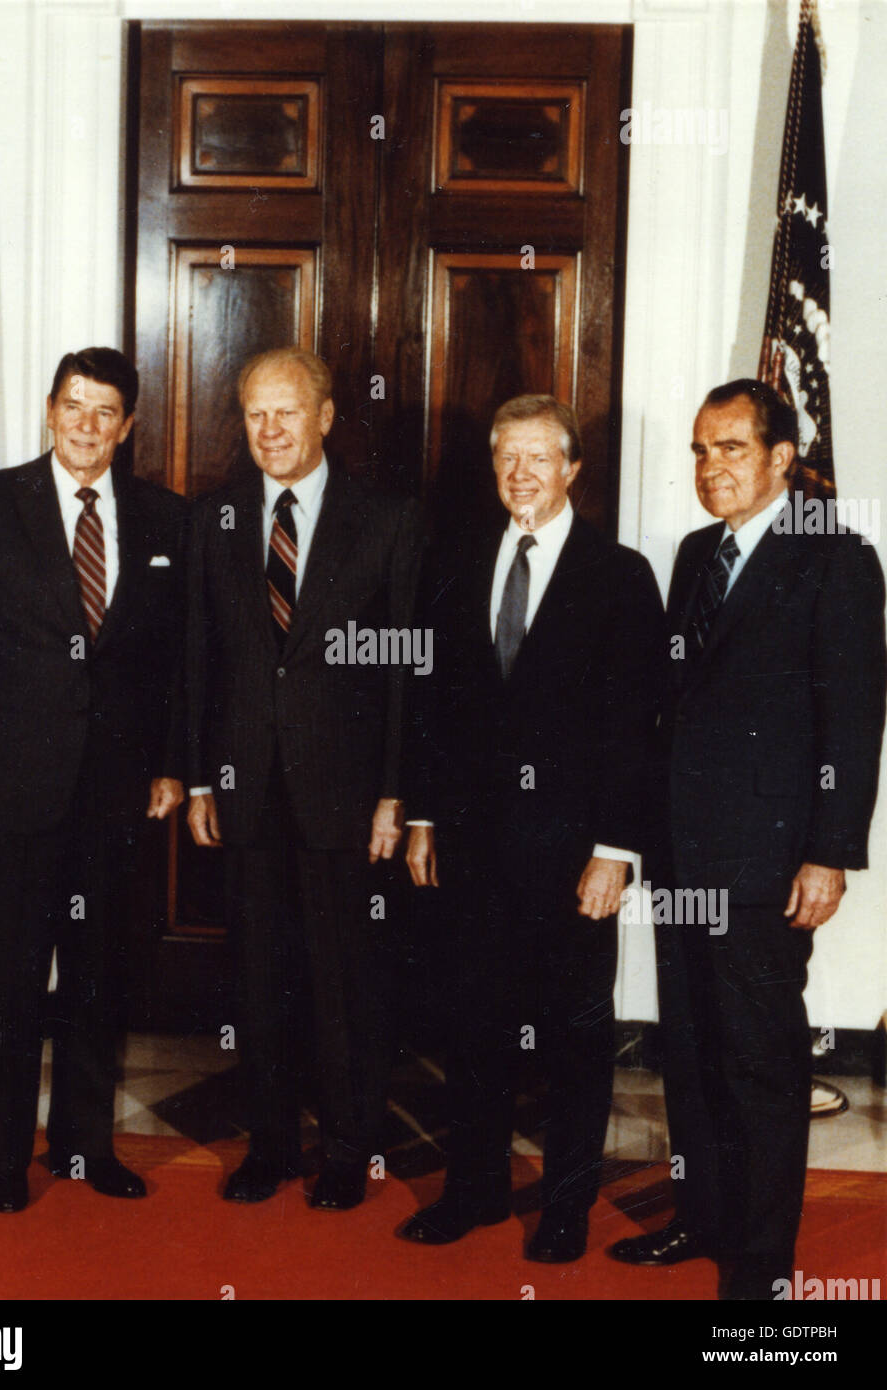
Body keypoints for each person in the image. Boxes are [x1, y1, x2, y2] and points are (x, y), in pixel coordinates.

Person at [607, 379, 886, 1299]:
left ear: (780, 459)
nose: (710, 467)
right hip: (684, 853)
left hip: (769, 861)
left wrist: (832, 851)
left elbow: (852, 718)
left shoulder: (836, 559)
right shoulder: (694, 556)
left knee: (760, 1063)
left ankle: (761, 1267)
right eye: (699, 450)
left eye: (730, 449)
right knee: (688, 1048)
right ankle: (701, 1217)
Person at [0, 348, 188, 1212]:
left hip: (115, 795)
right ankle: (6, 1162)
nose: (86, 424)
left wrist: (174, 765)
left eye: (105, 411)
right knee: (11, 980)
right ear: (49, 409)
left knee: (98, 978)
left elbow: (178, 663)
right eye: (74, 405)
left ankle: (86, 1150)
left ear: (128, 426)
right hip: (15, 790)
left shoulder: (163, 520)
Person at [400, 394, 665, 1260]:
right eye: (506, 458)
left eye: (538, 458)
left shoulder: (620, 576)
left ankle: (564, 1208)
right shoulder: (458, 559)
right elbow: (432, 705)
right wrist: (427, 815)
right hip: (473, 848)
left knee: (575, 1039)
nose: (520, 475)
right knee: (472, 1025)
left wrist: (615, 851)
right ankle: (472, 1192)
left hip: (573, 857)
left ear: (573, 470)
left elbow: (637, 726)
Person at [186, 346, 423, 1210]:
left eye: (287, 411)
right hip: (245, 787)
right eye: (255, 413)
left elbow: (406, 667)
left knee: (343, 983)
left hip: (346, 796)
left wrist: (397, 792)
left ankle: (347, 1150)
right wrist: (202, 781)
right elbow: (197, 659)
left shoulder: (389, 519)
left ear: (326, 417)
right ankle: (271, 1145)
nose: (270, 429)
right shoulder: (213, 519)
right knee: (257, 979)